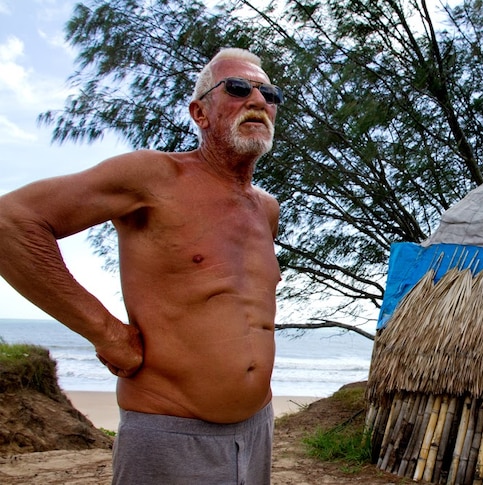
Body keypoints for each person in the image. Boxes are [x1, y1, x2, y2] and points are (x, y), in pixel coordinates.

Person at [0, 48, 283, 484]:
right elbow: (11, 222)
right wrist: (105, 332)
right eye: (239, 88)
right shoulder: (154, 177)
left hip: (257, 430)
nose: (258, 100)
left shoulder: (266, 209)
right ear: (200, 113)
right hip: (170, 432)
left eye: (269, 93)